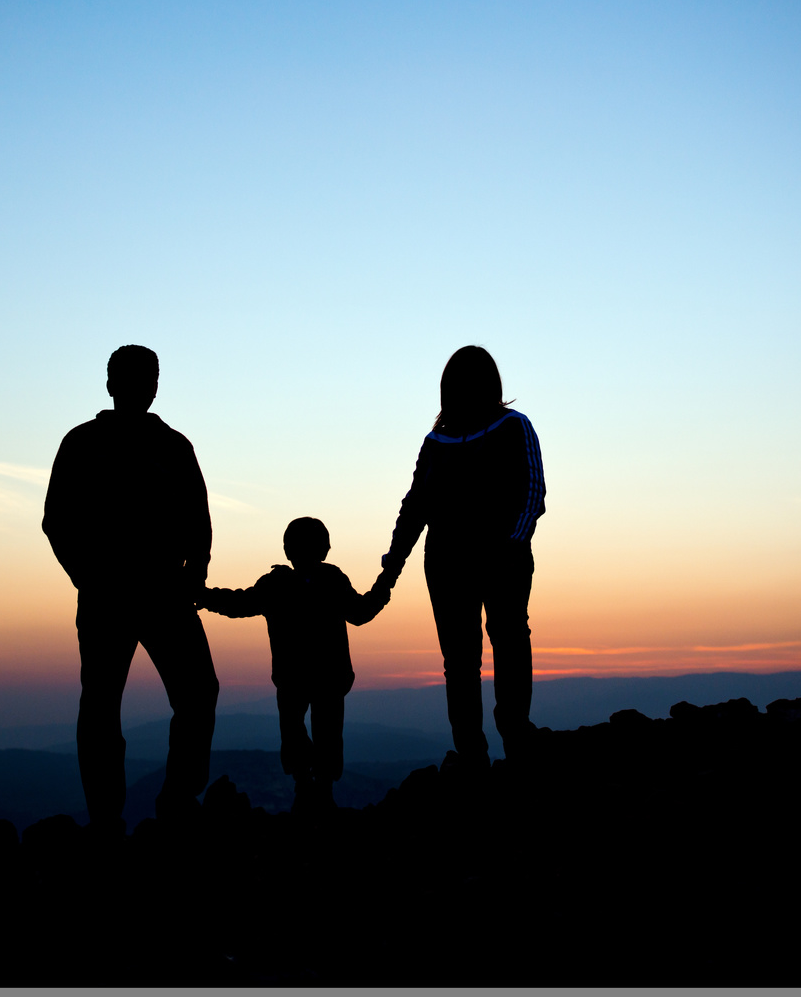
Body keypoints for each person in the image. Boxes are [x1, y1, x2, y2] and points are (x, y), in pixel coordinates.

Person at [42, 344, 219, 832]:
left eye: (150, 377)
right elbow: (56, 520)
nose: (144, 386)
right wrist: (88, 576)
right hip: (107, 596)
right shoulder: (82, 443)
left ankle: (178, 799)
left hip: (165, 593)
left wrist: (194, 573)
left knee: (198, 693)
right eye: (134, 376)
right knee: (101, 706)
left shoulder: (174, 446)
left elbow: (199, 519)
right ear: (111, 383)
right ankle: (106, 817)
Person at [379, 346, 546, 768]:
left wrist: (513, 544)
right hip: (447, 564)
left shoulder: (514, 427)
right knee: (460, 659)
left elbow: (532, 492)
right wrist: (392, 566)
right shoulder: (436, 441)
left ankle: (514, 736)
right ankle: (472, 753)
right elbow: (415, 505)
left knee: (507, 640)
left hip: (502, 560)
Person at [198, 517, 391, 810]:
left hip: (295, 678)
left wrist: (205, 596)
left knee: (295, 731)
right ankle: (319, 789)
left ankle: (308, 786)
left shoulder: (278, 585)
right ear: (324, 549)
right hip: (327, 677)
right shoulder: (329, 580)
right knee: (324, 734)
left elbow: (239, 604)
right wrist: (384, 586)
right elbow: (361, 612)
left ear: (288, 550)